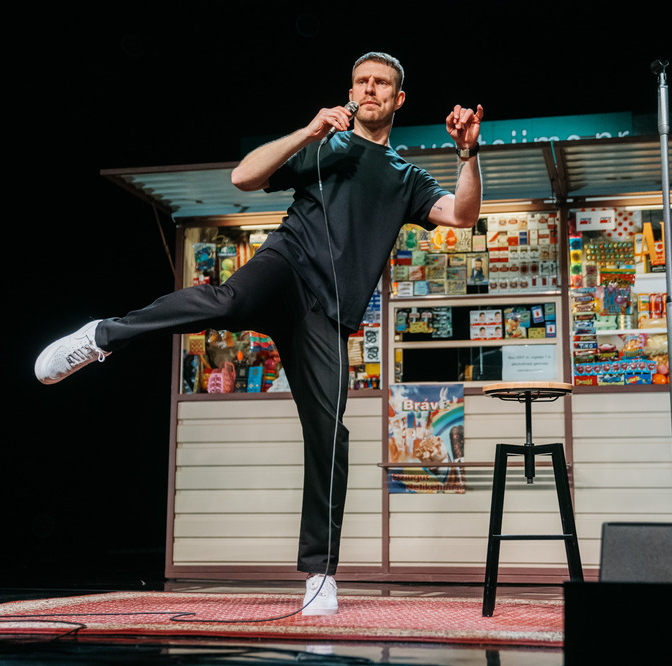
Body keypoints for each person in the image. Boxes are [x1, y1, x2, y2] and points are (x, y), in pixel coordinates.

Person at [34, 52, 484, 616]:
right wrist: (309, 131)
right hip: (285, 267)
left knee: (329, 434)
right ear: (350, 91)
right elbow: (243, 177)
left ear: (399, 99)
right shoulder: (325, 144)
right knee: (226, 300)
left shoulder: (405, 176)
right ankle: (103, 336)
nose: (370, 89)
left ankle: (320, 575)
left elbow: (463, 215)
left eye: (381, 84)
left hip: (327, 314)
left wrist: (468, 153)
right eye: (361, 81)